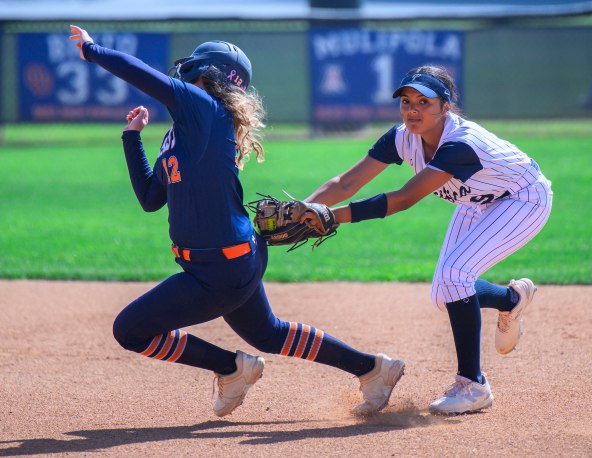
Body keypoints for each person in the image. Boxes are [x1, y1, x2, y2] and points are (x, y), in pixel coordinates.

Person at [68, 25, 405, 417]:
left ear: (204, 73)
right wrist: (131, 139)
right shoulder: (185, 134)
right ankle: (373, 369)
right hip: (229, 260)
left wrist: (92, 50)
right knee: (268, 333)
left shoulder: (204, 109)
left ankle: (230, 367)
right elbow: (150, 198)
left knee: (130, 331)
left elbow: (141, 73)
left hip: (218, 268)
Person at [302, 65, 552, 415]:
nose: (412, 110)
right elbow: (346, 183)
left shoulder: (460, 144)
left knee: (454, 277)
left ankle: (473, 385)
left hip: (522, 198)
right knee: (444, 292)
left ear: (445, 107)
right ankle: (511, 299)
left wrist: (333, 217)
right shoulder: (401, 136)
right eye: (406, 101)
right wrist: (304, 208)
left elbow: (404, 198)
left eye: (424, 102)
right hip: (475, 200)